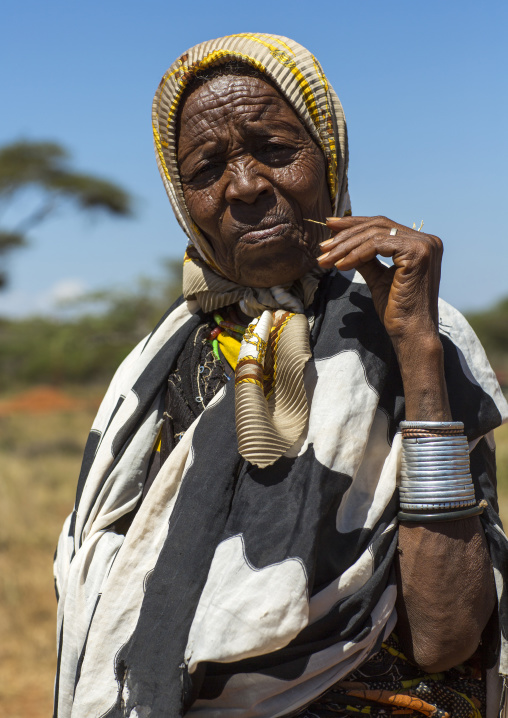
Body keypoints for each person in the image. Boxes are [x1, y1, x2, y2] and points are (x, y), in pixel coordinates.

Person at [54, 33, 508, 718]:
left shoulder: (412, 335)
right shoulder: (157, 373)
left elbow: (446, 638)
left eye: (274, 151)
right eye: (208, 168)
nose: (244, 187)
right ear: (184, 201)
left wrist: (417, 353)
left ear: (329, 155)